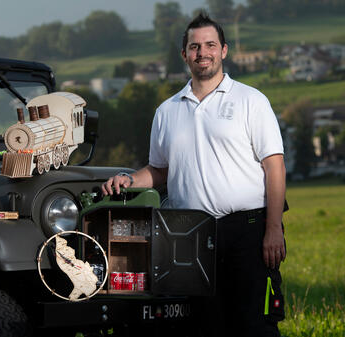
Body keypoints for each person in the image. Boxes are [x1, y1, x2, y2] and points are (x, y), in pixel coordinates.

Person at [101, 13, 286, 337]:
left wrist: (273, 229)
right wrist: (129, 179)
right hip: (188, 235)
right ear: (184, 54)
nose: (203, 52)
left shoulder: (251, 101)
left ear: (224, 50)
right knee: (201, 325)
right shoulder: (167, 111)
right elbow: (160, 171)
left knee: (254, 325)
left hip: (248, 230)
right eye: (195, 46)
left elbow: (275, 166)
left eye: (210, 45)